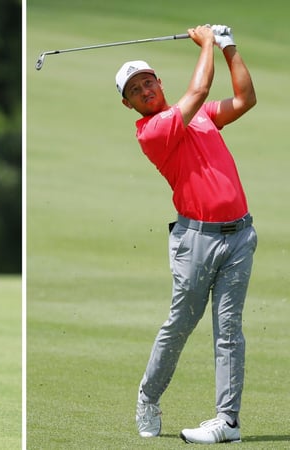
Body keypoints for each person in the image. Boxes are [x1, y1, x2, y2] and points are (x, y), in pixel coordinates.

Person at [116, 25, 257, 444]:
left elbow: (245, 100)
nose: (144, 90)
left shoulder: (202, 118)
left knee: (229, 329)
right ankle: (148, 396)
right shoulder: (153, 132)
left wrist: (230, 47)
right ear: (127, 104)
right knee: (181, 323)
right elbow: (198, 90)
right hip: (196, 241)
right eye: (134, 90)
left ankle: (227, 421)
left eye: (148, 81)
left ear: (159, 82)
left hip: (240, 236)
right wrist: (208, 42)